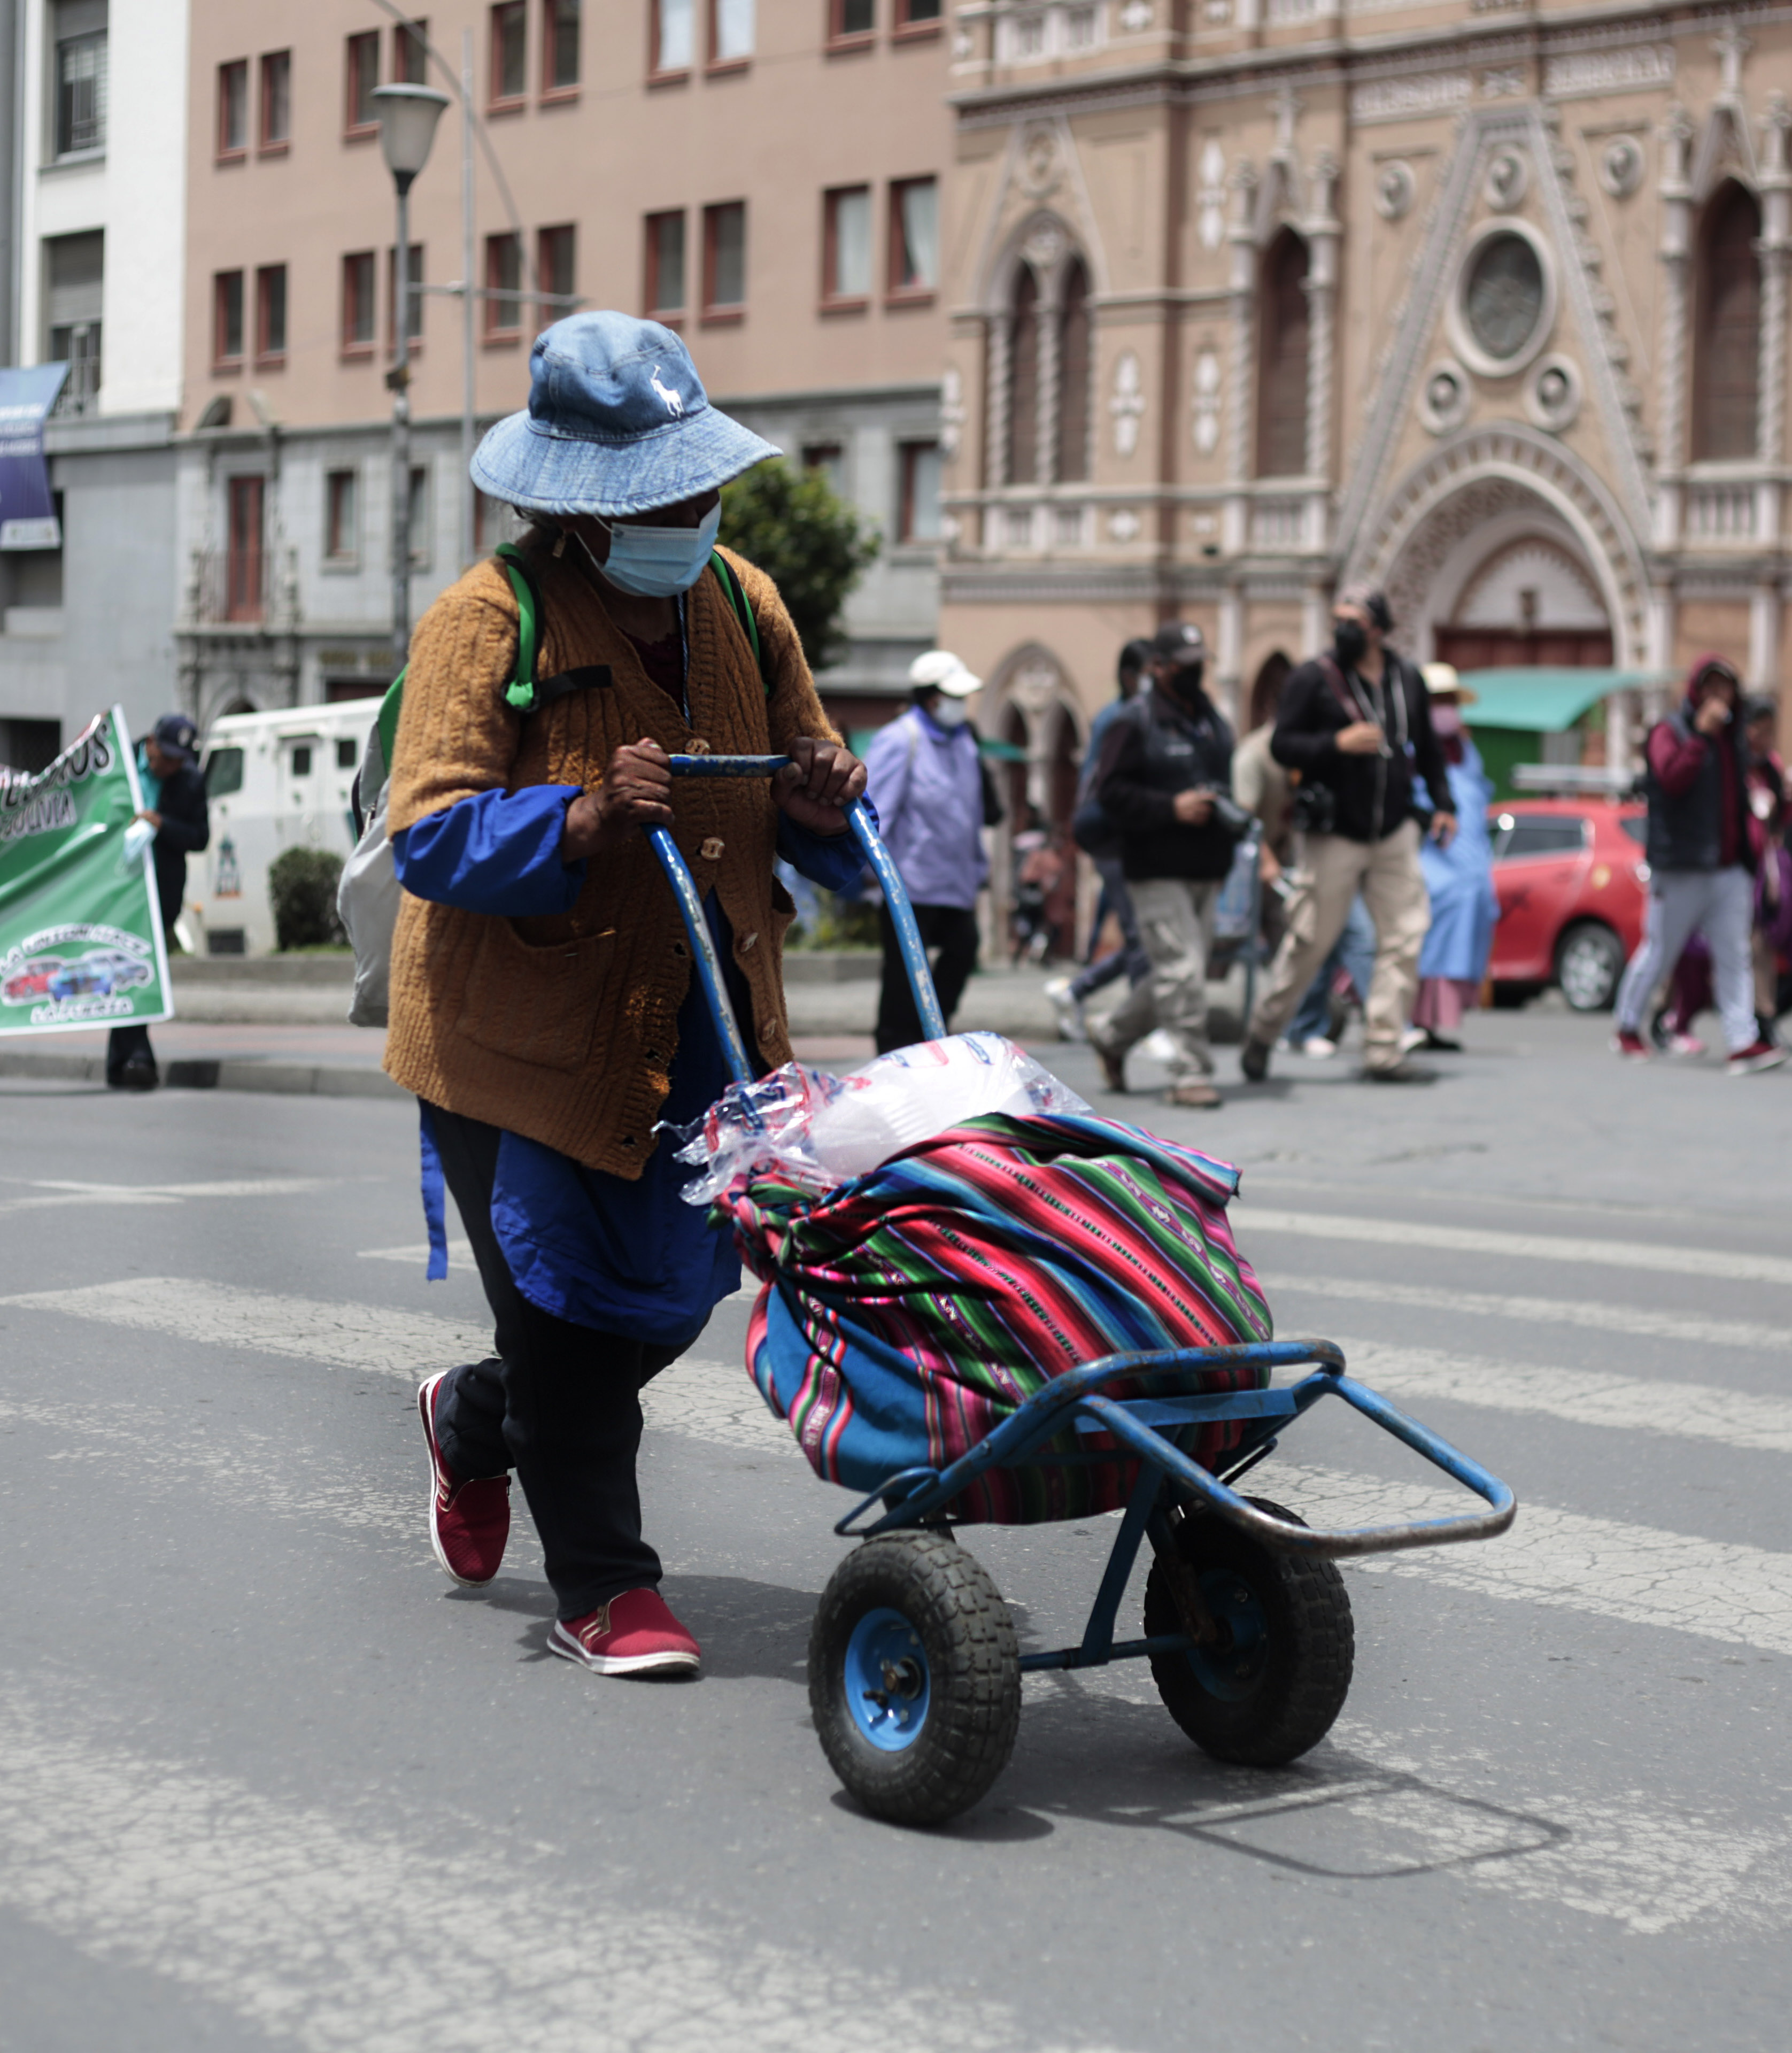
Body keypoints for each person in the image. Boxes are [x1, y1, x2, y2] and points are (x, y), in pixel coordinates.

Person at [386, 313, 869, 1679]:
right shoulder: (489, 616)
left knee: (660, 1299)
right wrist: (582, 818)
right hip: (517, 1043)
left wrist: (822, 794)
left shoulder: (745, 603)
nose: (687, 515)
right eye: (656, 496)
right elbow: (429, 832)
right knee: (559, 1315)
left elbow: (810, 785)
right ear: (578, 507)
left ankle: (472, 1418)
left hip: (705, 1024)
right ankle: (605, 1585)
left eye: (696, 487)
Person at [1239, 586, 1456, 1084]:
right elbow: (1282, 744)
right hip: (1334, 832)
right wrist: (1336, 743)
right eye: (1337, 620)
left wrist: (1444, 804)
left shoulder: (1406, 678)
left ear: (1378, 629)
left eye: (1352, 622)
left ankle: (1384, 1048)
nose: (1342, 630)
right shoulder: (1313, 678)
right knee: (1310, 941)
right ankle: (1264, 1031)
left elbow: (1427, 749)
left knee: (1405, 934)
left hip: (1393, 829)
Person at [1086, 621, 1238, 1109]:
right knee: (1182, 969)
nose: (1194, 673)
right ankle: (1190, 1072)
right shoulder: (1134, 720)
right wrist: (1171, 807)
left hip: (1206, 865)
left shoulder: (1210, 718)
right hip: (1154, 866)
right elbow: (1109, 792)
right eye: (1183, 665)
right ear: (1159, 667)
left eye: (1199, 664)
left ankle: (1111, 1034)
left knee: (1181, 970)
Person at [1611, 657, 1785, 1074]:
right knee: (1660, 951)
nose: (1718, 698)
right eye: (1711, 688)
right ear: (1696, 691)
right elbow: (1670, 779)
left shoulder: (1733, 741)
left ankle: (1741, 1041)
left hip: (1728, 870)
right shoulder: (1670, 731)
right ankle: (1628, 1026)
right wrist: (1700, 737)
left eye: (1726, 689)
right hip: (1682, 866)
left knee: (1735, 956)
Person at [862, 650, 986, 1053]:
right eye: (954, 696)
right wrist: (871, 871)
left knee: (963, 952)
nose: (960, 705)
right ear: (931, 698)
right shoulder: (901, 739)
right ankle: (893, 1050)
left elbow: (971, 812)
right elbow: (877, 810)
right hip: (909, 885)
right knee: (903, 976)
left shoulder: (965, 743)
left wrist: (978, 867)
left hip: (955, 882)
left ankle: (929, 1037)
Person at [1045, 637, 1153, 1037]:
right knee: (1140, 936)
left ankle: (1076, 991)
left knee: (1145, 937)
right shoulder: (1119, 718)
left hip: (1129, 840)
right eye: (1149, 673)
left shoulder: (1138, 713)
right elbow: (1100, 786)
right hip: (1113, 839)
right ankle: (1140, 1024)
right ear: (1129, 676)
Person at [107, 712, 209, 1091]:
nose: (168, 767)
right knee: (125, 968)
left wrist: (162, 824)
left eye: (177, 760)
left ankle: (129, 1060)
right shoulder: (118, 763)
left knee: (138, 969)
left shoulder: (190, 780)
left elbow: (200, 837)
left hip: (160, 892)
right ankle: (132, 1059)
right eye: (164, 757)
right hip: (119, 886)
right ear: (150, 743)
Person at [1405, 662, 1500, 1053]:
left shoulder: (1465, 749)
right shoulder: (1412, 747)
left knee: (1474, 910)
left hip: (1471, 858)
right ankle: (1408, 1019)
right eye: (1439, 701)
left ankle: (1430, 1023)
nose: (1447, 709)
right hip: (1430, 855)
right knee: (1431, 919)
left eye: (1450, 701)